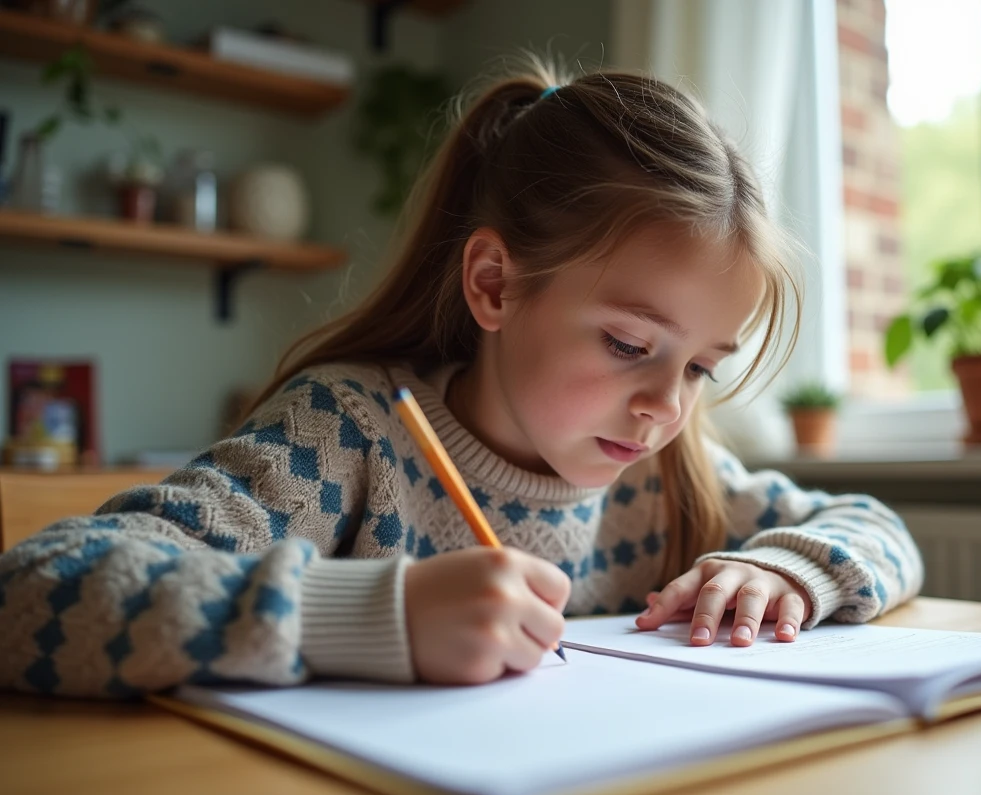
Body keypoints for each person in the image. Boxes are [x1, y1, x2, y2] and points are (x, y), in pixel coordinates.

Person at [0, 59, 923, 697]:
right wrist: (370, 615)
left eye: (701, 368)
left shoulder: (666, 477)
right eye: (628, 343)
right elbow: (35, 593)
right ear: (494, 284)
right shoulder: (350, 437)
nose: (666, 407)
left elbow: (878, 529)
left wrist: (790, 569)